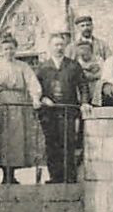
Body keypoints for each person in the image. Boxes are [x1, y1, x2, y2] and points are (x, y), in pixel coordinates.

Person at [0, 33, 45, 184]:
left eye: (11, 49)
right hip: (0, 104)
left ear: (15, 49)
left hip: (18, 106)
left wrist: (35, 98)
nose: (9, 52)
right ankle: (4, 173)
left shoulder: (23, 66)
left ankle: (12, 173)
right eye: (6, 49)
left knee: (16, 139)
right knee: (2, 139)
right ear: (1, 50)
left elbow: (33, 83)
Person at [34, 31, 91, 183]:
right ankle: (55, 177)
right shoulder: (43, 67)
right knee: (52, 144)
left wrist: (85, 102)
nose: (59, 48)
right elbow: (35, 88)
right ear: (50, 47)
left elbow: (83, 86)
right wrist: (43, 98)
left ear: (65, 47)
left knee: (68, 143)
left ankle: (69, 177)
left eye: (61, 45)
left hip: (68, 110)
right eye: (56, 45)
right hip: (49, 112)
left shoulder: (73, 65)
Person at [71, 15, 113, 105]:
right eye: (82, 26)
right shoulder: (72, 47)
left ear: (92, 26)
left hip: (99, 85)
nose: (86, 28)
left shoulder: (102, 45)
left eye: (88, 25)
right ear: (77, 28)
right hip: (80, 87)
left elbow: (110, 63)